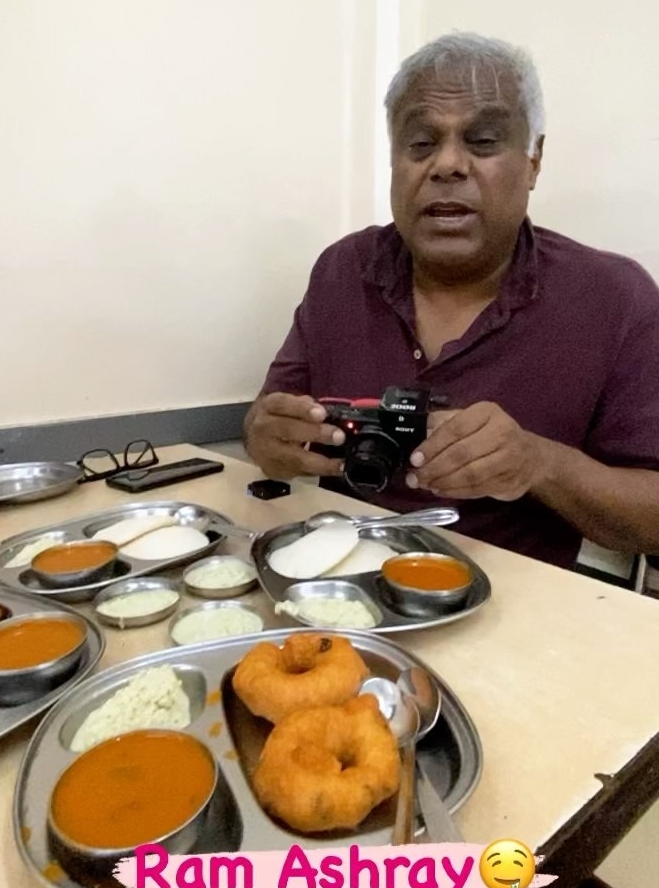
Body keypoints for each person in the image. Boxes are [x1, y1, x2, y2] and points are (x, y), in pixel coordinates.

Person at [243, 33, 659, 568]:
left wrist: (537, 464)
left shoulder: (613, 297)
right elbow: (268, 424)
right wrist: (265, 437)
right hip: (337, 576)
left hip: (517, 607)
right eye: (420, 144)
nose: (447, 165)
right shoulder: (343, 270)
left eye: (483, 142)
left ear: (534, 160)